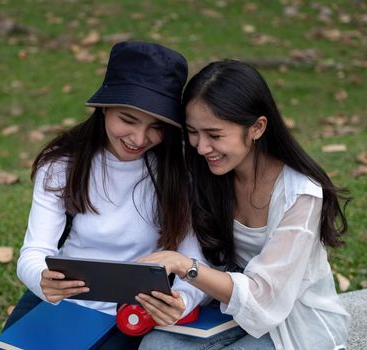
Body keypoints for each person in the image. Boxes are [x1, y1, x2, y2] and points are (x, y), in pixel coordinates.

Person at [2, 41, 206, 348]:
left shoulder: (180, 172)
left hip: (134, 311)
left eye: (156, 126)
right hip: (64, 301)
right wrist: (43, 279)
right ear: (105, 107)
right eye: (127, 119)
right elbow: (33, 252)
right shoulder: (62, 164)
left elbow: (195, 261)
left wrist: (184, 301)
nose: (139, 139)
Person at [137, 60, 351, 350]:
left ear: (257, 128)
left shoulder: (300, 195)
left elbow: (265, 296)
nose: (201, 147)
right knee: (156, 346)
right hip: (232, 310)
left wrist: (185, 266)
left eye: (214, 135)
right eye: (193, 132)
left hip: (294, 321)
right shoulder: (209, 172)